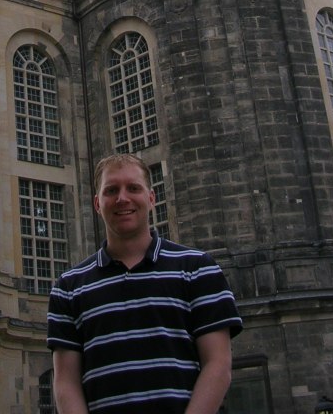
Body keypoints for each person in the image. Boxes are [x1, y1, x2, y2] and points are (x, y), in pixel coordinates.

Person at [47, 153, 242, 413]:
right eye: (112, 190)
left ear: (151, 198)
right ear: (97, 203)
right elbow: (65, 382)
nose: (122, 198)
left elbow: (218, 366)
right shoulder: (68, 287)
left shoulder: (198, 269)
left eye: (133, 188)